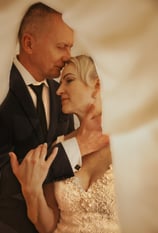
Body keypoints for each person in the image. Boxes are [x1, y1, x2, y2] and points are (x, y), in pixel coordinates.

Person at [0, 3, 108, 233]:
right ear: (29, 43)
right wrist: (76, 147)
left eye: (70, 47)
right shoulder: (2, 90)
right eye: (61, 47)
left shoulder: (60, 95)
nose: (68, 56)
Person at [10, 55, 120, 233]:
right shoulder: (59, 147)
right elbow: (48, 226)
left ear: (97, 86)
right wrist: (32, 191)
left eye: (69, 80)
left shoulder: (130, 142)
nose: (59, 90)